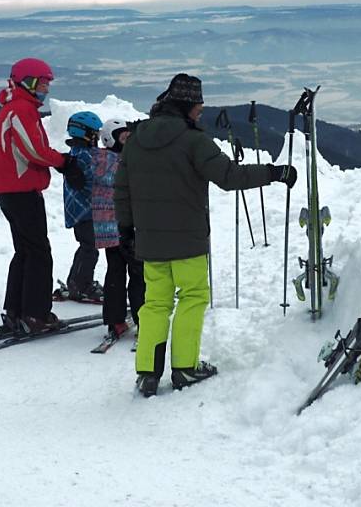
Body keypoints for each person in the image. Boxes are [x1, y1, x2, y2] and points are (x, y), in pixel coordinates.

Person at [115, 73, 297, 397]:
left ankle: (148, 373)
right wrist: (274, 172)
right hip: (188, 241)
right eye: (198, 107)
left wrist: (126, 232)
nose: (201, 112)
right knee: (193, 297)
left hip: (150, 242)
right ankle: (185, 367)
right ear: (185, 105)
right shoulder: (193, 140)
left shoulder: (137, 139)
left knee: (155, 303)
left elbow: (122, 190)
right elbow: (229, 175)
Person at [0, 57, 85, 334]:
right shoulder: (20, 109)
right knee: (39, 253)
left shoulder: (16, 107)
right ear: (28, 82)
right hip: (20, 190)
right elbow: (33, 150)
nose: (46, 89)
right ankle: (35, 315)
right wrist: (63, 162)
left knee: (26, 251)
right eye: (43, 83)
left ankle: (16, 311)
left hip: (11, 189)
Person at [94, 118, 145, 343]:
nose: (128, 142)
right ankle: (143, 319)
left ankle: (115, 321)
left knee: (114, 272)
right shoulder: (123, 163)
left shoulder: (99, 159)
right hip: (124, 226)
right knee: (138, 273)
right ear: (111, 140)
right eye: (124, 138)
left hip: (105, 228)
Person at [58, 111, 105, 303]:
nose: (98, 137)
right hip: (85, 211)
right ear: (85, 134)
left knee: (86, 246)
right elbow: (98, 179)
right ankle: (82, 285)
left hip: (79, 210)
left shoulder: (75, 154)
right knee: (90, 248)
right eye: (95, 133)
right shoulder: (86, 156)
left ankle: (75, 282)